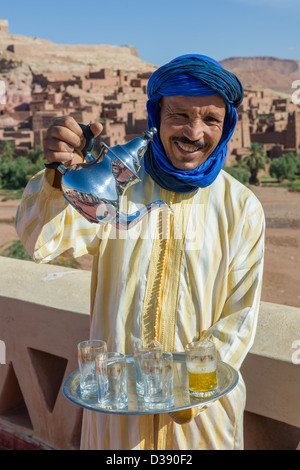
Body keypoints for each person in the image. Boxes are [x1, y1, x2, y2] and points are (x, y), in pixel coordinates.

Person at [16, 54, 265, 450]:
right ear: (156, 117)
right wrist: (60, 177)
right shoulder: (116, 185)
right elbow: (42, 243)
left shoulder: (240, 207)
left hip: (201, 427)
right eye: (180, 115)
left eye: (211, 119)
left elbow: (240, 317)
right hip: (117, 425)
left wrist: (190, 396)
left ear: (228, 124)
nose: (195, 132)